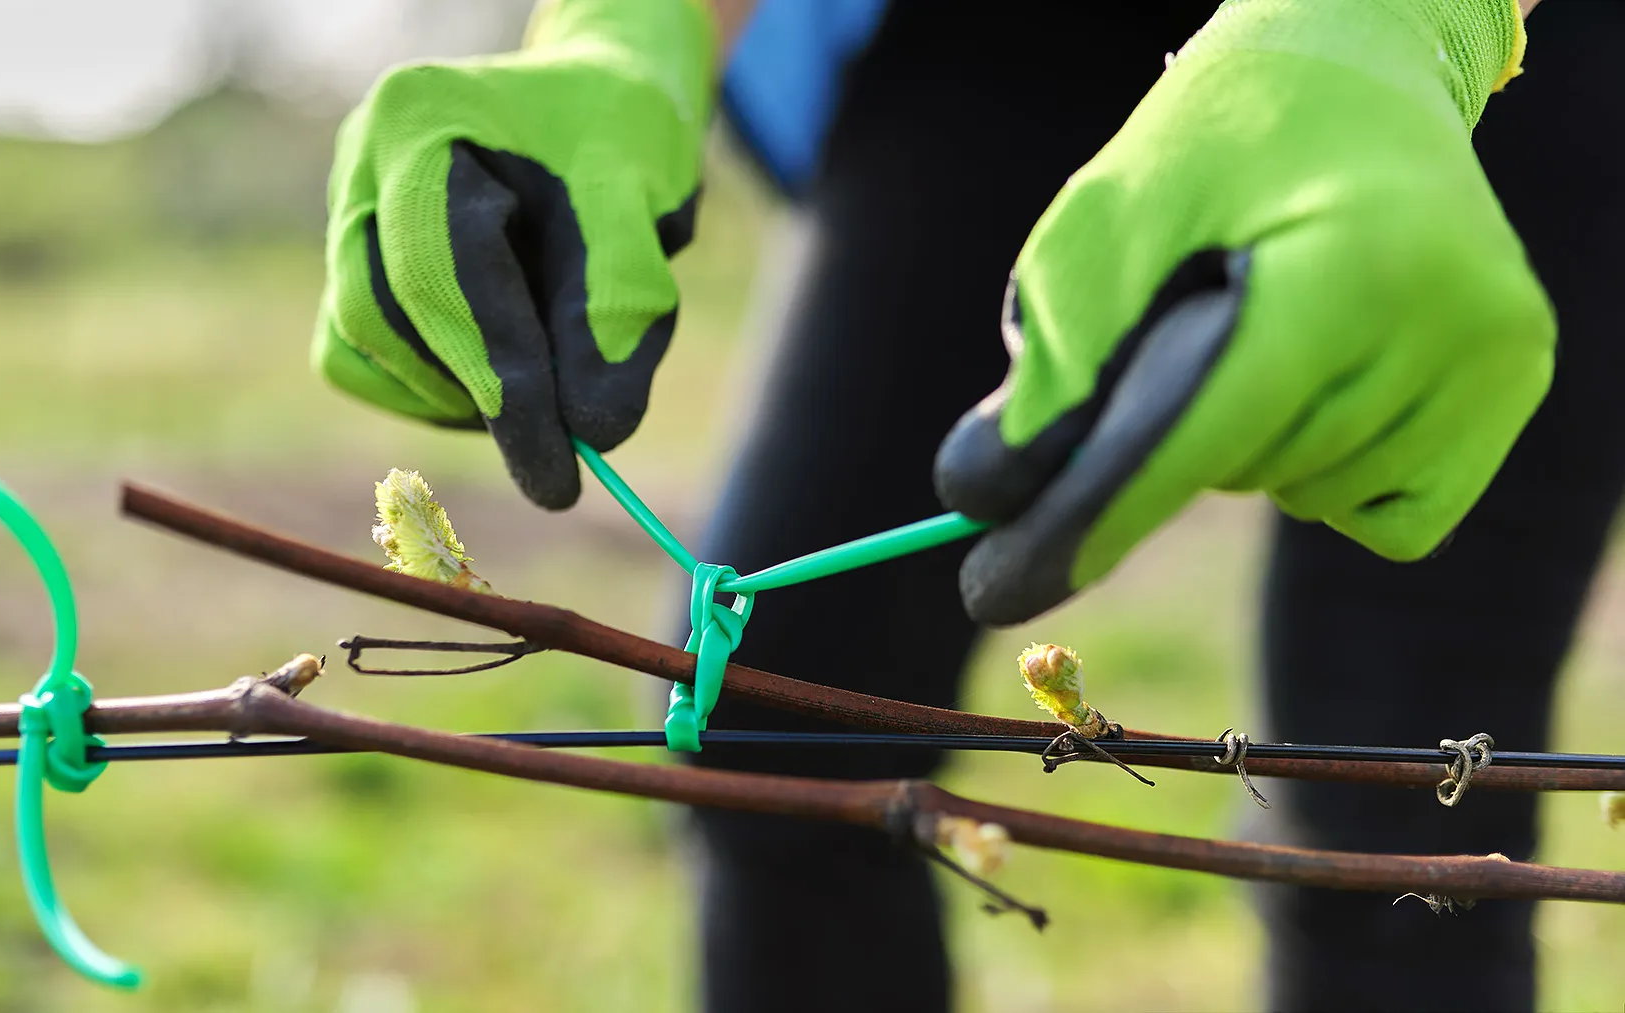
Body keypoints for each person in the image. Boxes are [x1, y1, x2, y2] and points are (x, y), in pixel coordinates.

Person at [310, 0, 1624, 1008]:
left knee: (1408, 797)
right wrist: (618, 36)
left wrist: (1398, 28)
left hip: (1514, 47)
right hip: (1001, 38)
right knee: (773, 723)